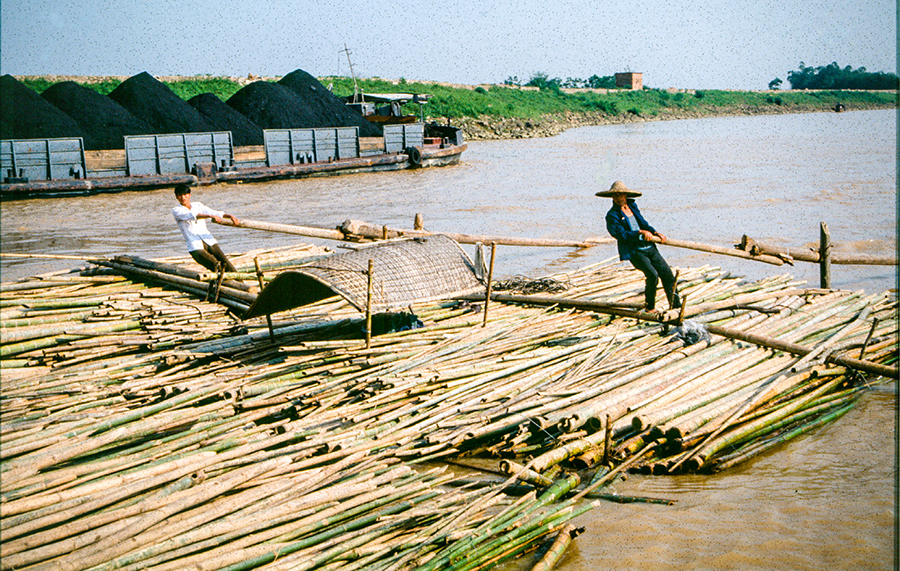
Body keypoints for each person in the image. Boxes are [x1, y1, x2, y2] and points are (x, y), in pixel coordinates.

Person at [598, 180, 680, 312]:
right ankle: (650, 308)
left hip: (649, 247)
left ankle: (676, 306)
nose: (619, 198)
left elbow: (643, 222)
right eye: (616, 195)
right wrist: (638, 233)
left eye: (621, 195)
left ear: (626, 195)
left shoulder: (633, 206)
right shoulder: (612, 215)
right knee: (652, 275)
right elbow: (621, 234)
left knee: (667, 274)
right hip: (635, 251)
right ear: (612, 197)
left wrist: (654, 232)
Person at [171, 184, 240, 273]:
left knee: (226, 264)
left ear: (189, 195)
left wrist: (229, 216)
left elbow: (213, 212)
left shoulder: (198, 205)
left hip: (209, 240)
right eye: (180, 195)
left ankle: (241, 283)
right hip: (195, 245)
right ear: (176, 197)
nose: (183, 197)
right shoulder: (176, 210)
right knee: (215, 265)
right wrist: (210, 216)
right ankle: (224, 284)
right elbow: (192, 215)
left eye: (185, 194)